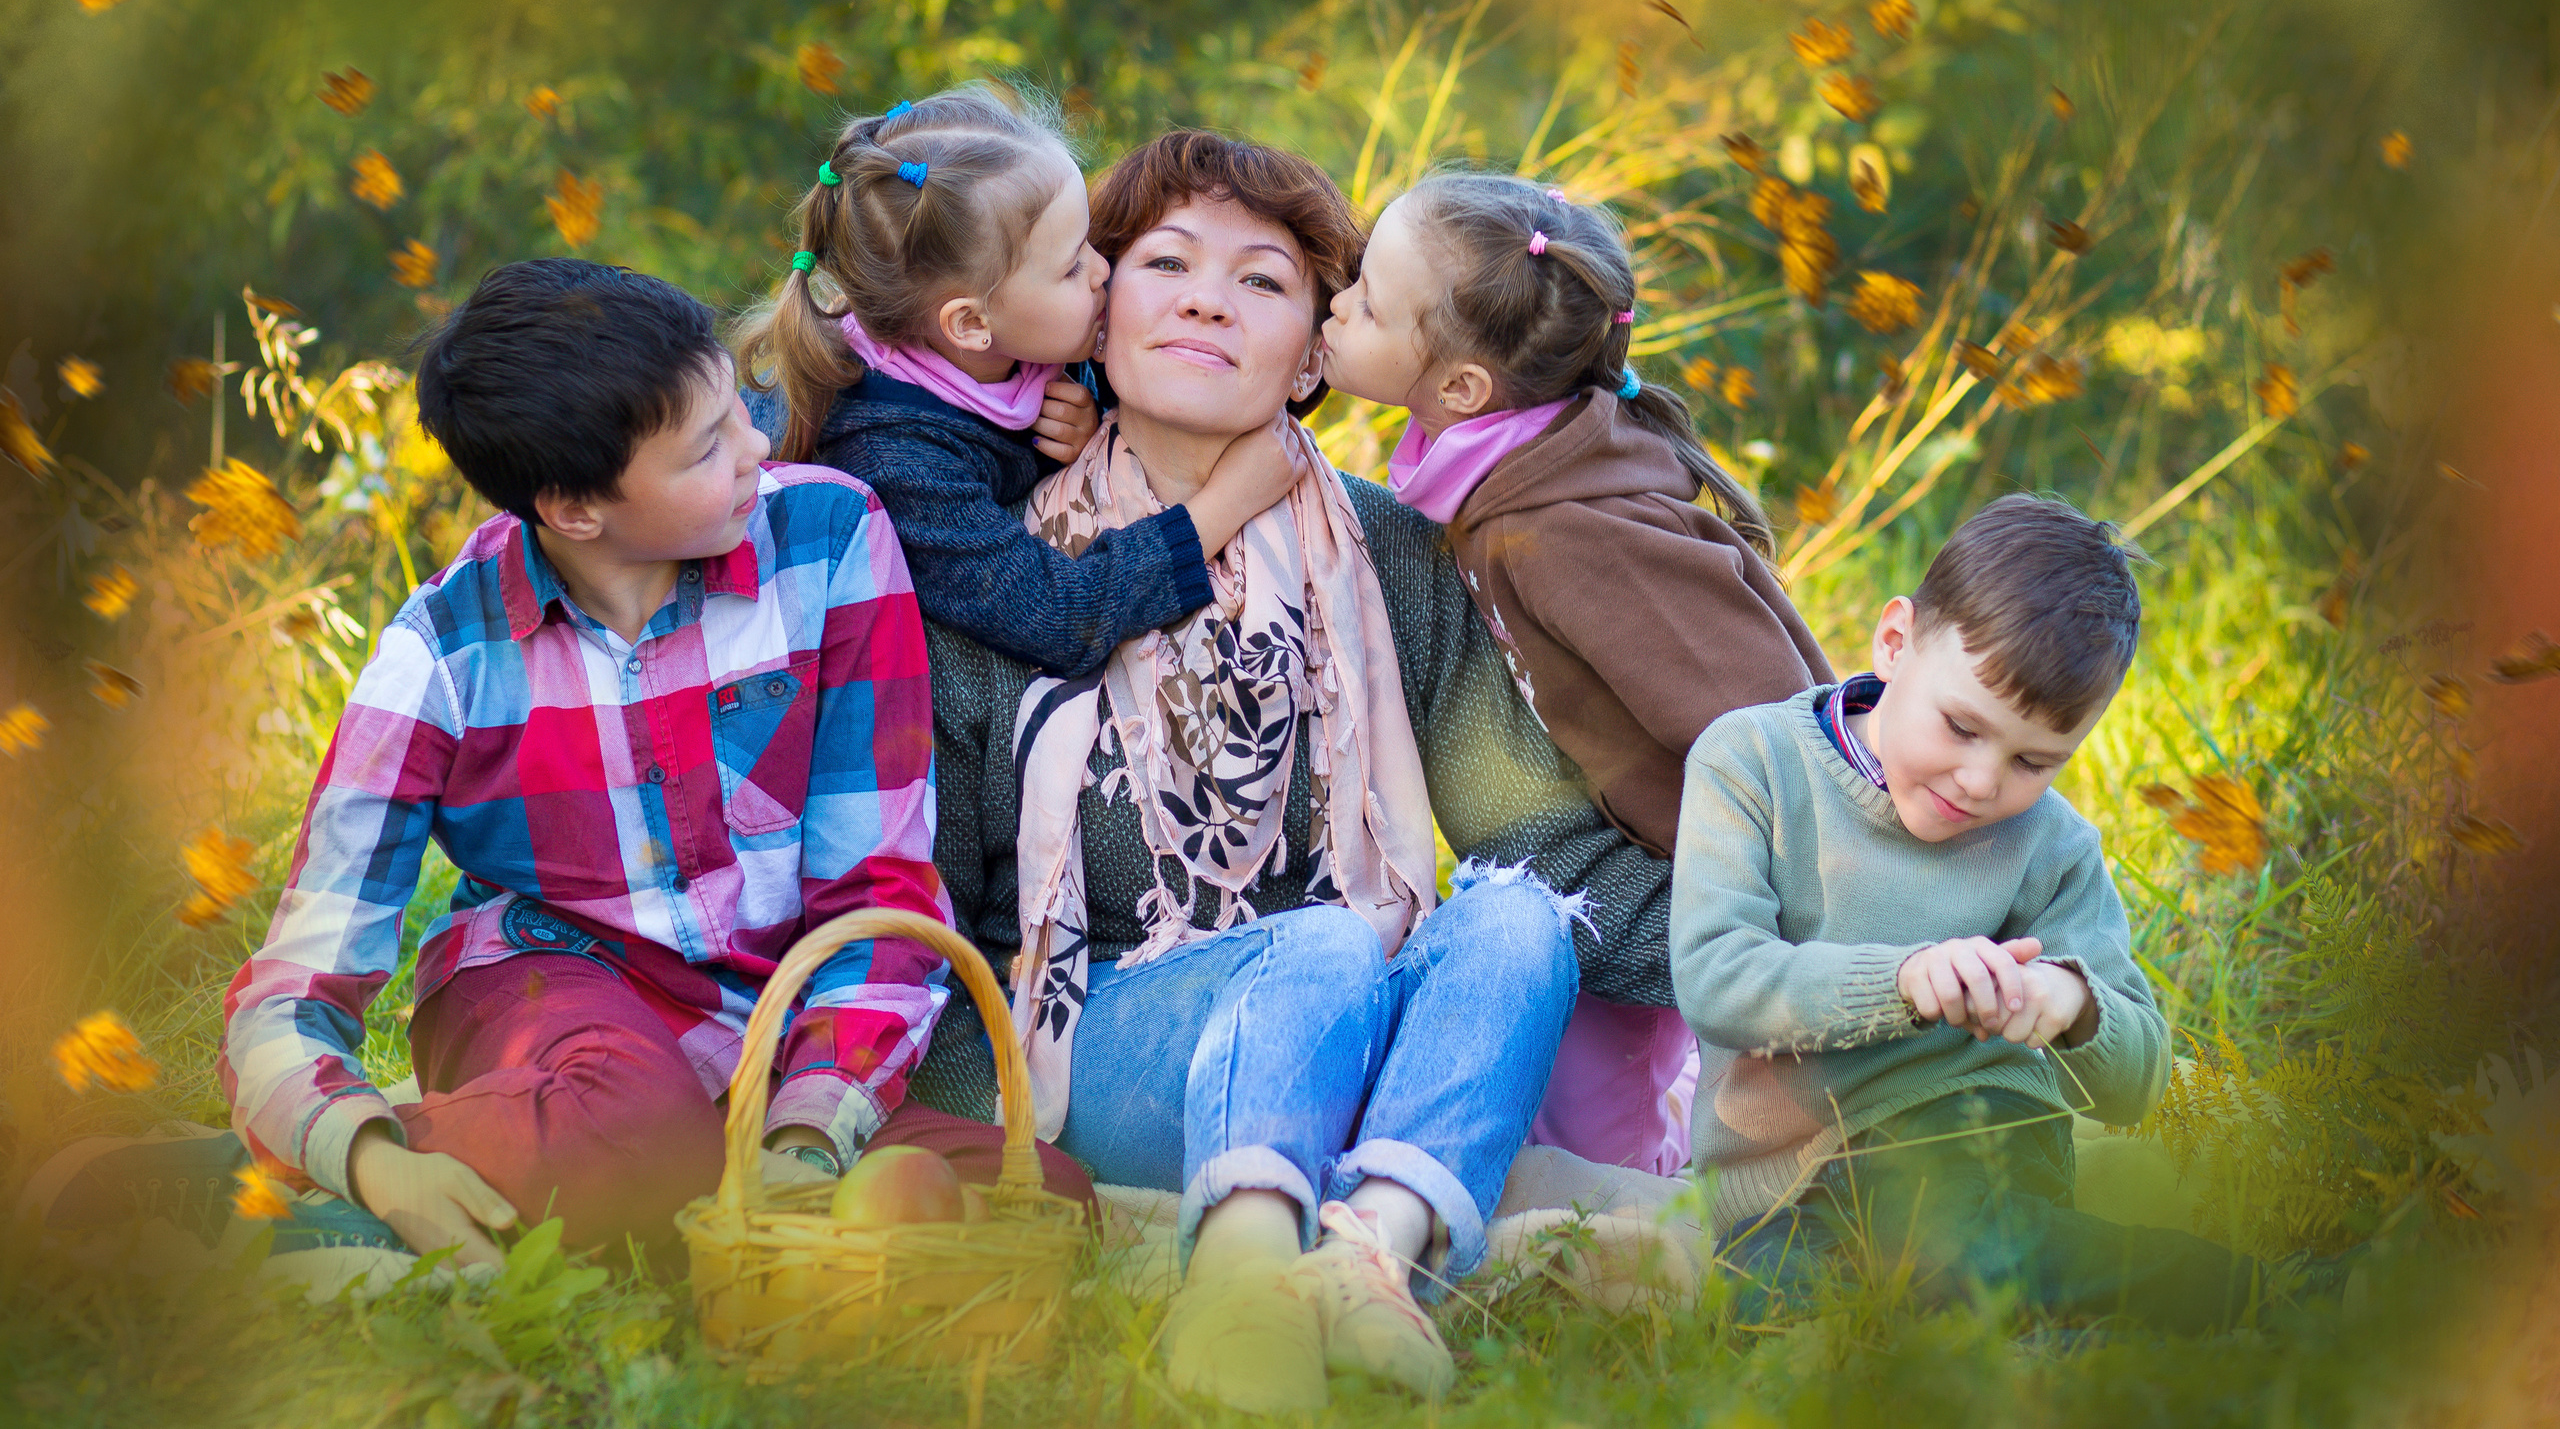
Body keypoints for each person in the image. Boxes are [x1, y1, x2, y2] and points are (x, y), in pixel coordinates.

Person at [875, 131, 1679, 1414]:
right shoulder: (999, 575)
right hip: (1111, 1052)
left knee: (1521, 919)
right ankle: (1241, 1280)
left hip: (1357, 1021)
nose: (1206, 296)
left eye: (1262, 281)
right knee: (1315, 948)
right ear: (1092, 312)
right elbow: (936, 920)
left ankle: (1365, 1263)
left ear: (1316, 351)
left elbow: (1530, 832)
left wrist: (1797, 958)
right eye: (1166, 262)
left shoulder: (1385, 553)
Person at [196, 259, 1084, 1273]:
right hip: (549, 989)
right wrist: (368, 1159)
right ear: (576, 509)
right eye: (707, 446)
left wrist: (800, 1145)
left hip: (758, 1024)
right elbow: (294, 985)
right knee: (636, 1131)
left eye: (737, 410)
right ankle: (269, 1181)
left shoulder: (830, 539)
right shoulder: (441, 658)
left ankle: (564, 1176)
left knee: (1039, 1203)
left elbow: (875, 886)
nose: (758, 447)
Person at [1674, 494, 2290, 1329]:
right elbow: (1718, 978)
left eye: (2034, 760)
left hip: (1962, 1134)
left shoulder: (2051, 843)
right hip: (1783, 1183)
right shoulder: (1753, 760)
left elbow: (2140, 1079)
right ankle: (2041, 1322)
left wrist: (2071, 1006)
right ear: (1895, 642)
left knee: (1961, 1238)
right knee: (1766, 1311)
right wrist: (1905, 980)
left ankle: (2277, 1298)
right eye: (1961, 726)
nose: (1981, 781)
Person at [1319, 171, 1831, 1175]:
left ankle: (1693, 1228)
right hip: (1612, 832)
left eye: (1367, 302)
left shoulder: (1566, 534)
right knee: (1565, 1111)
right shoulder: (1506, 470)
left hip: (1724, 873)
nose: (1337, 299)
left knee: (1613, 1145)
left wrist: (1816, 892)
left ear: (1461, 389)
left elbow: (1765, 713)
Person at [737, 85, 1300, 679]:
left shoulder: (1015, 333)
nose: (1102, 270)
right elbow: (1059, 617)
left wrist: (1094, 414)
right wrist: (1223, 504)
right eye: (1070, 266)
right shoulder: (895, 459)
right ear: (972, 323)